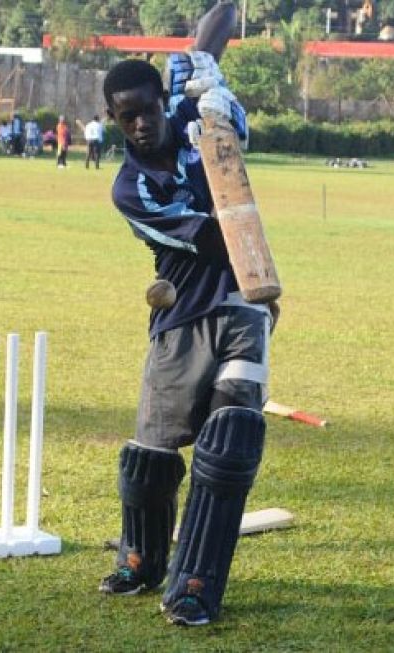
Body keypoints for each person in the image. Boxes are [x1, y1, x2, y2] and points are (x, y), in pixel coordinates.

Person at [99, 56, 276, 627]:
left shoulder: (185, 113)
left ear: (159, 104)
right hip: (182, 321)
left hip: (243, 308)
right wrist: (215, 131)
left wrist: (221, 102)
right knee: (150, 457)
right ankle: (142, 557)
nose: (143, 125)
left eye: (148, 111)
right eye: (129, 118)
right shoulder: (132, 188)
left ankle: (195, 583)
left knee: (229, 448)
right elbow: (216, 231)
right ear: (114, 119)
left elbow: (211, 37)